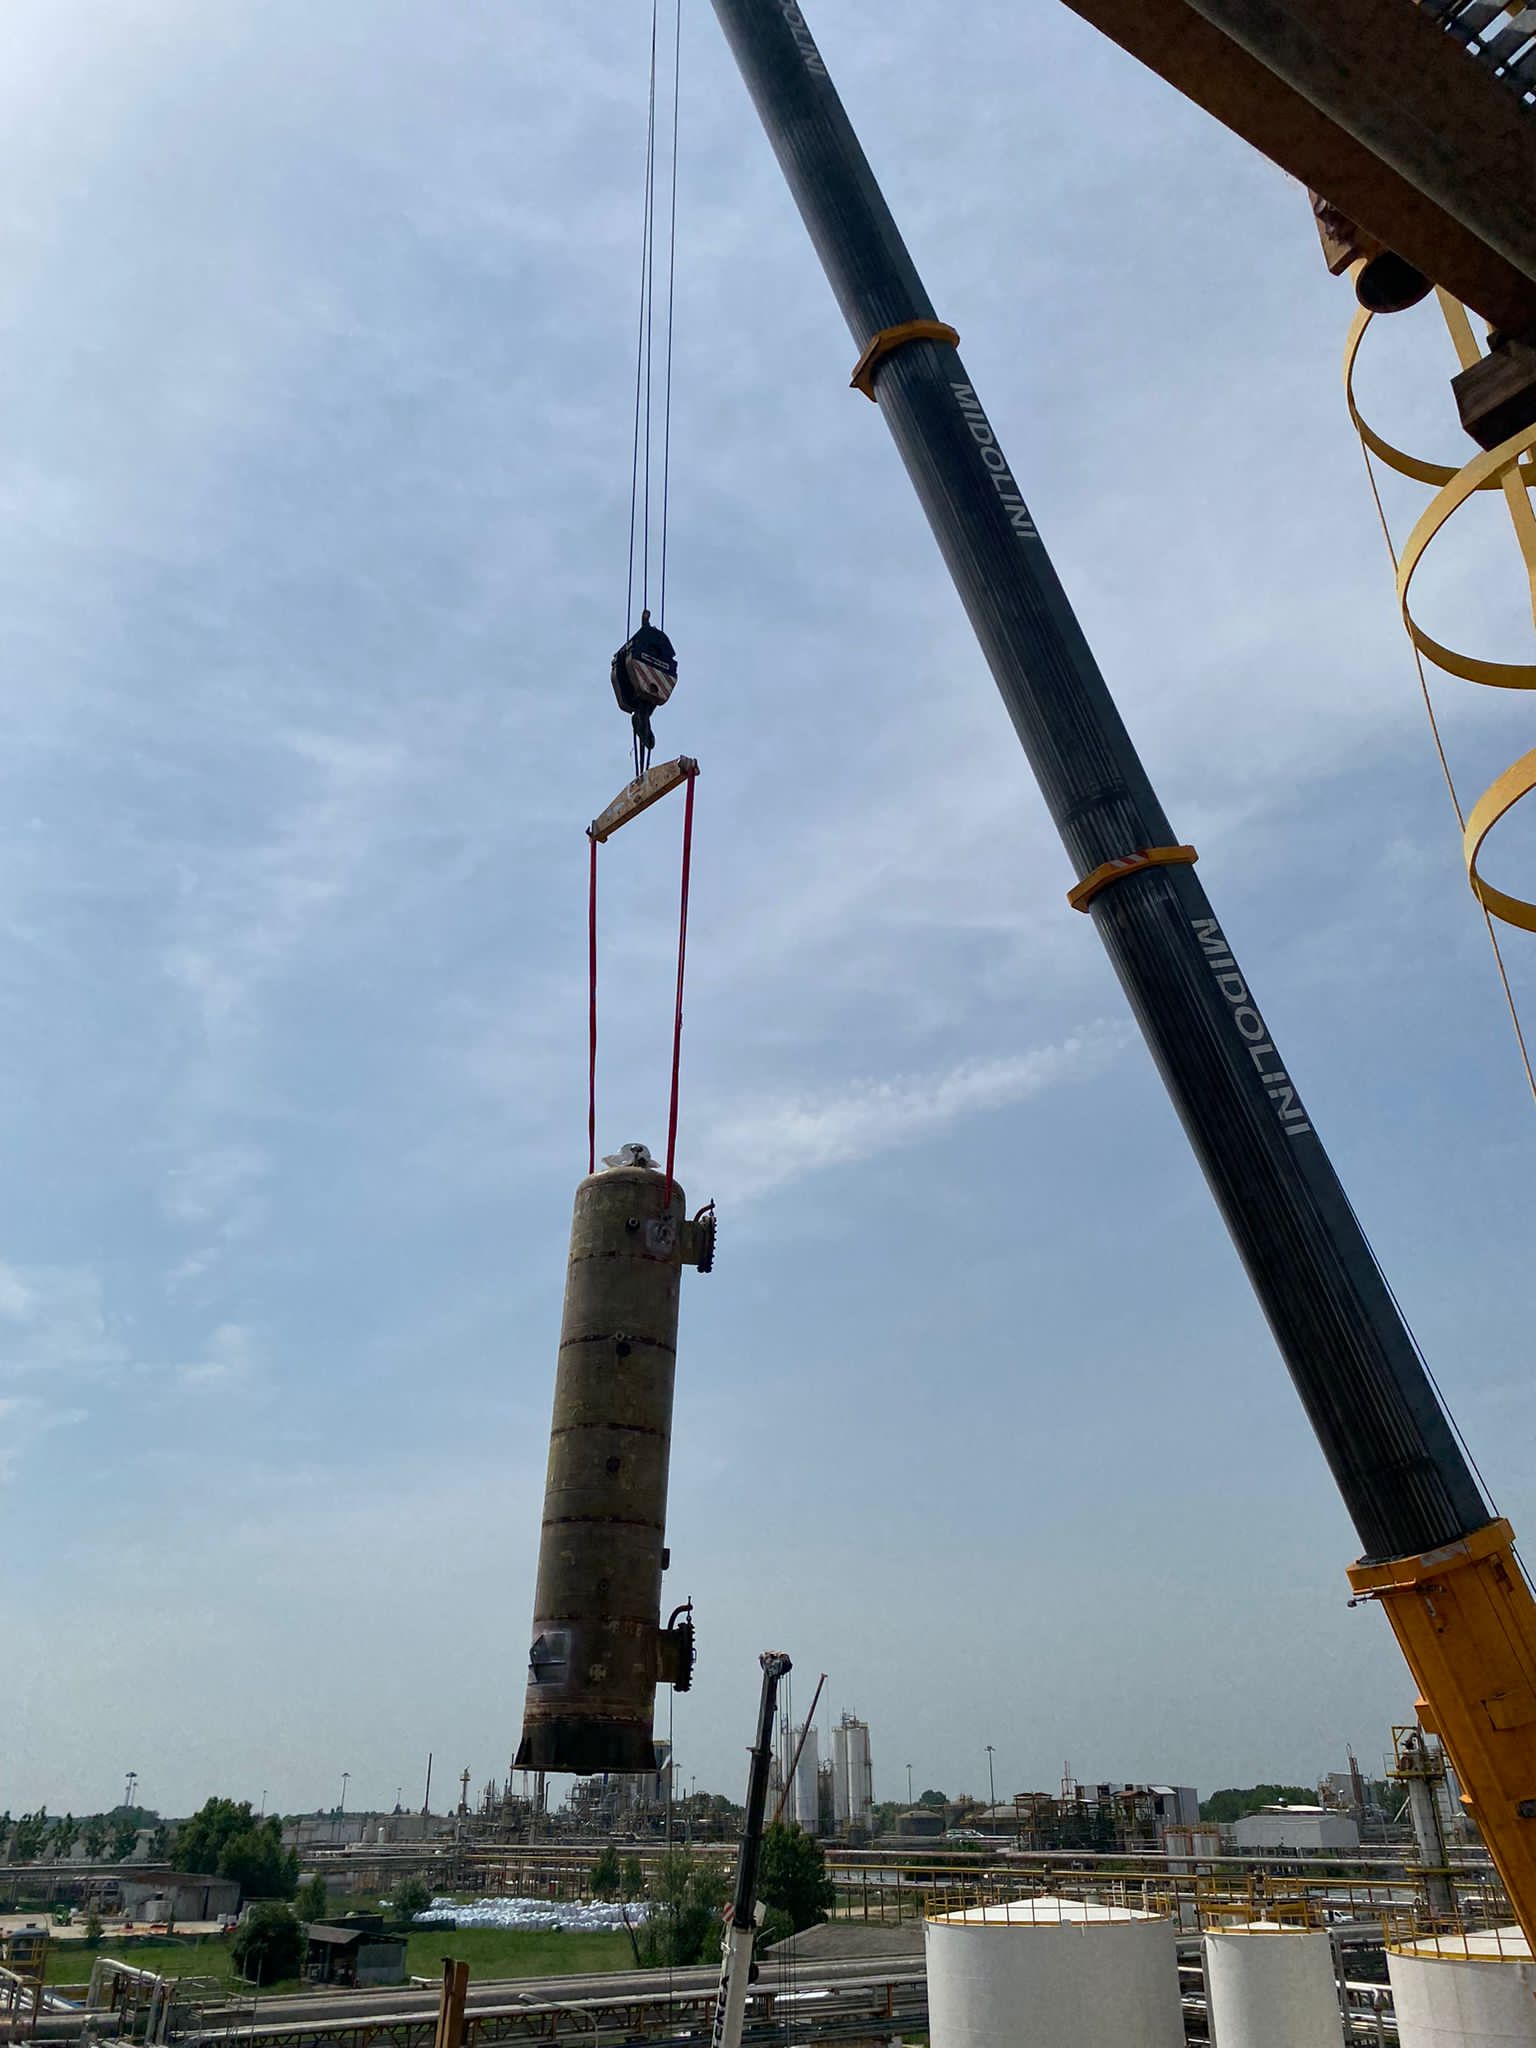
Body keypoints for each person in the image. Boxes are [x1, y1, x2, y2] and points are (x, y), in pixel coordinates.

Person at [610, 609, 678, 775]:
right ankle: (642, 720)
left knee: (647, 699)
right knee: (647, 699)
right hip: (650, 667)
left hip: (650, 668)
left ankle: (642, 720)